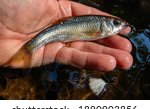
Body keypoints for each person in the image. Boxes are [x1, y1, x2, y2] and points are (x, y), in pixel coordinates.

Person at [0, 0, 133, 71]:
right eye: (115, 23)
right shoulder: (99, 30)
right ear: (103, 25)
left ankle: (19, 56)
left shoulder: (101, 29)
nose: (118, 26)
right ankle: (24, 53)